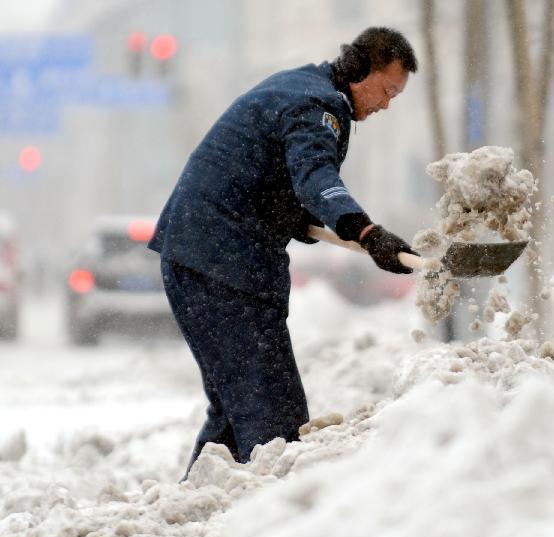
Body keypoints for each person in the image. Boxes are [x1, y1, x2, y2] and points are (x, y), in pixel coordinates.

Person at [149, 27, 419, 478]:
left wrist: (292, 216)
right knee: (272, 419)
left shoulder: (300, 85)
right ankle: (263, 523)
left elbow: (270, 178)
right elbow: (315, 177)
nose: (387, 104)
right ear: (359, 71)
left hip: (200, 256)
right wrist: (367, 232)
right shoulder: (319, 106)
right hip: (221, 266)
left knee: (238, 414)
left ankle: (193, 508)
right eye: (388, 90)